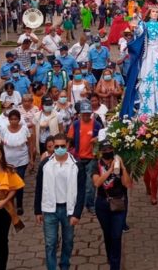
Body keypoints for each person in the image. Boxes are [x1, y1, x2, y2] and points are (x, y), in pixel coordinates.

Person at [34, 133, 87, 270]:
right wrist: (37, 210)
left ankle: (64, 265)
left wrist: (77, 213)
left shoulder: (77, 165)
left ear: (68, 145)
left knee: (68, 241)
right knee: (50, 243)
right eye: (56, 146)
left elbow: (81, 191)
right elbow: (39, 187)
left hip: (68, 210)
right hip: (50, 209)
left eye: (62, 146)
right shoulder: (45, 165)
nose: (59, 149)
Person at [92, 139, 133, 270]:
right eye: (105, 150)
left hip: (119, 203)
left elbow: (127, 184)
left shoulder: (120, 163)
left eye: (110, 149)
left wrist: (122, 167)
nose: (108, 152)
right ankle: (110, 256)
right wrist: (110, 171)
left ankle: (115, 266)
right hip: (102, 204)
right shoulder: (96, 165)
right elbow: (97, 183)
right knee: (108, 233)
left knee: (116, 235)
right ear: (100, 152)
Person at [67, 100, 103, 213]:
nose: (86, 116)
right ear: (80, 114)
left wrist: (97, 139)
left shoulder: (97, 125)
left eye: (88, 113)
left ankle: (90, 204)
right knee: (76, 182)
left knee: (90, 185)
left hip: (92, 159)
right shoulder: (76, 124)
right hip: (78, 158)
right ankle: (77, 204)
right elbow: (69, 139)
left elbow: (103, 138)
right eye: (84, 114)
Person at [1, 109, 33, 215]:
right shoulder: (4, 129)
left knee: (19, 183)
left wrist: (31, 159)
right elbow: (1, 145)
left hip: (22, 160)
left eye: (15, 119)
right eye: (11, 119)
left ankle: (19, 204)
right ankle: (10, 203)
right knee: (9, 184)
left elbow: (30, 144)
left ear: (19, 120)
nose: (13, 121)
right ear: (9, 120)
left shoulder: (24, 129)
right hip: (8, 161)